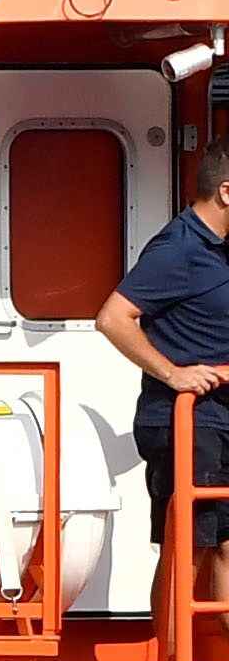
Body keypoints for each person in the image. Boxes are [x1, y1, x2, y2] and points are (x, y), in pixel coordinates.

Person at [98, 147, 229, 562]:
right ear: (226, 193)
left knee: (225, 545)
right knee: (187, 550)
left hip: (220, 415)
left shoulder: (221, 249)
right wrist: (173, 374)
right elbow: (113, 318)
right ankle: (170, 632)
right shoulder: (179, 247)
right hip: (188, 422)